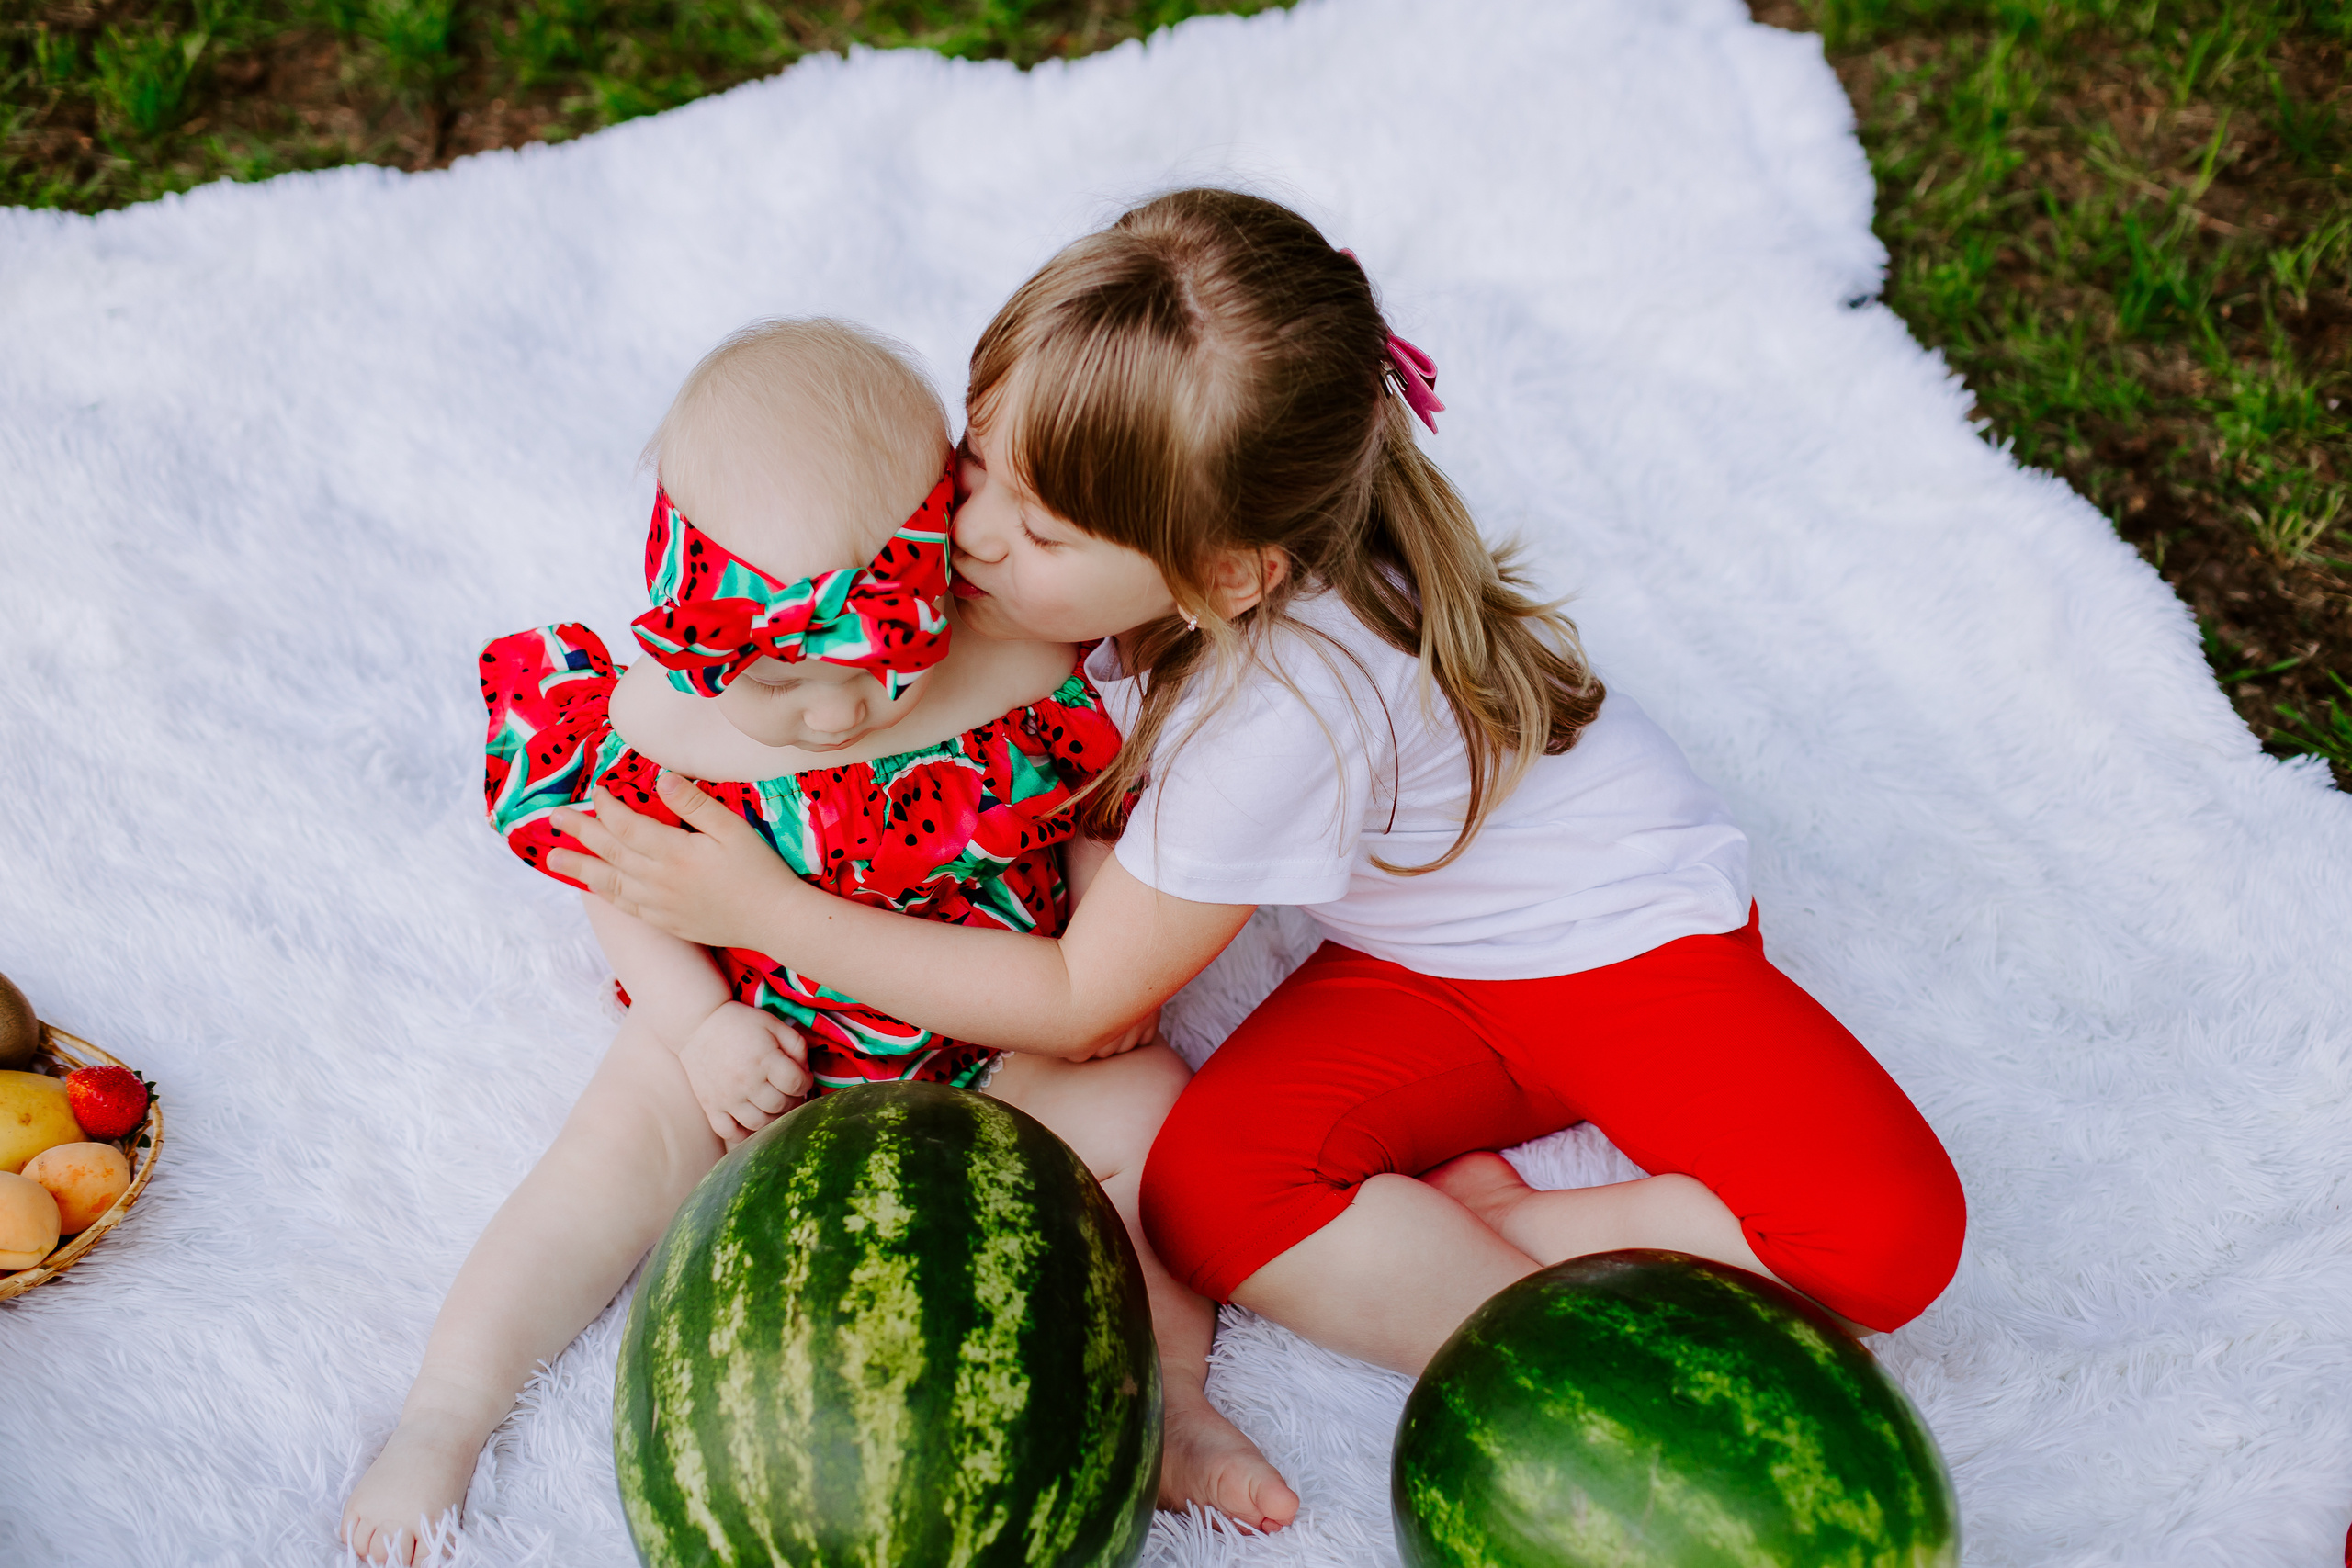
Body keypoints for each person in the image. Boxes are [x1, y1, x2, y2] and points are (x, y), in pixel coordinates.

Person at [555, 188, 1967, 1400]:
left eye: (1038, 526)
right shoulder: (1174, 541)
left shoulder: (1289, 708)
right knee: (1209, 1197)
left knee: (1889, 1239)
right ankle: (1474, 1211)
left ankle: (1545, 1253)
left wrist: (770, 909)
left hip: (1615, 947)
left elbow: (1077, 1002)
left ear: (1228, 573)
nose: (968, 533)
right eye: (979, 459)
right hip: (1415, 966)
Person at [342, 317, 1297, 1565]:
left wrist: (1102, 910)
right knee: (597, 1170)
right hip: (756, 1021)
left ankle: (1169, 1395)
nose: (836, 712)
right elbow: (618, 881)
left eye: (883, 672)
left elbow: (1077, 805)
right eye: (779, 687)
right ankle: (446, 1415)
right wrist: (695, 1024)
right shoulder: (656, 721)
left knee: (1152, 1131)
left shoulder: (1024, 669)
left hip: (987, 1029)